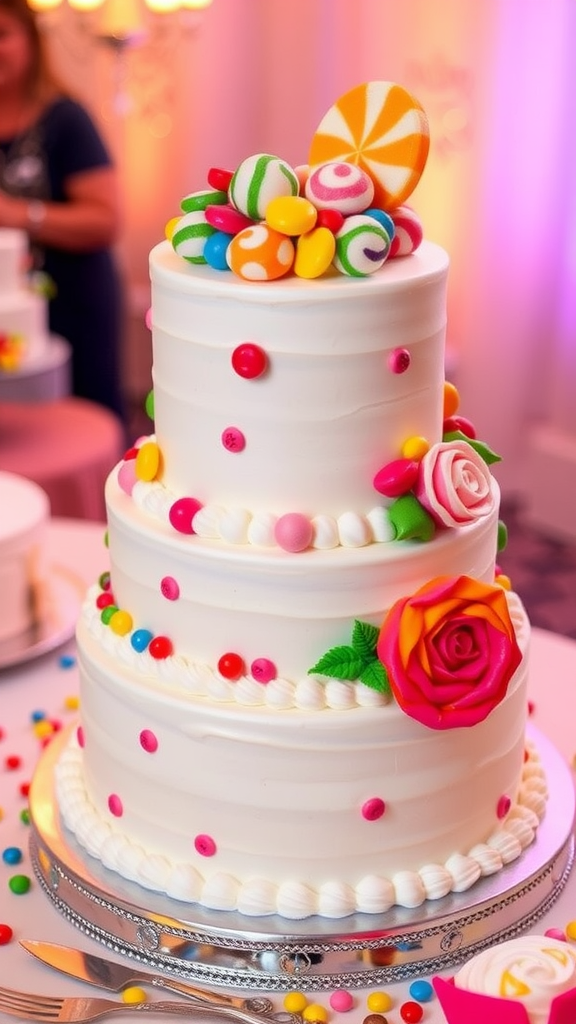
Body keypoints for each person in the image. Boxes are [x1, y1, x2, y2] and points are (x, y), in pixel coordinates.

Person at [0, 0, 126, 423]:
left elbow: (105, 221)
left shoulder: (65, 119)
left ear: (31, 41)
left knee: (81, 427)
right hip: (8, 318)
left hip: (74, 303)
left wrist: (16, 214)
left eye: (2, 35)